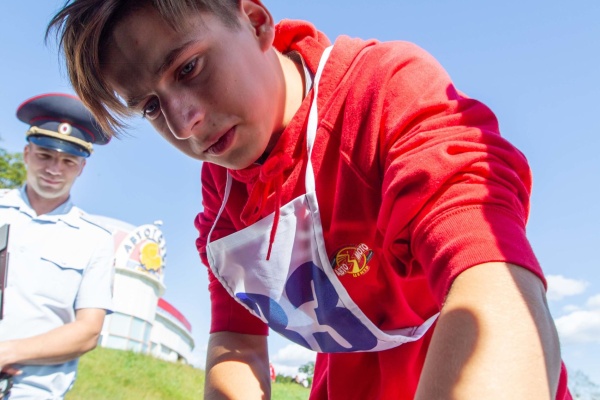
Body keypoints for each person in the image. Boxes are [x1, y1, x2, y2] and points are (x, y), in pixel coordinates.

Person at [47, 1, 572, 399]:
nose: (185, 124)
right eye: (151, 106)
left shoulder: (384, 94)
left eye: (189, 68)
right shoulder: (222, 193)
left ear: (255, 22)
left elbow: (493, 279)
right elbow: (237, 340)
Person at [0, 93, 113, 399]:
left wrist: (7, 352)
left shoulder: (95, 240)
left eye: (68, 161)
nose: (54, 169)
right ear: (26, 153)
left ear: (81, 168)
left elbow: (88, 331)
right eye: (45, 155)